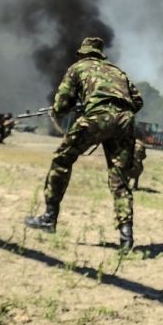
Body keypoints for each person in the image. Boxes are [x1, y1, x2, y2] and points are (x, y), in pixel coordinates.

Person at [24, 37, 143, 252]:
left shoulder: (77, 68)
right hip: (126, 120)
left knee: (62, 160)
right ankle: (126, 236)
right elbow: (138, 101)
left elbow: (61, 104)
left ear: (83, 54)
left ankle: (49, 217)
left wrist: (77, 109)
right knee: (120, 178)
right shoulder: (118, 72)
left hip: (97, 117)